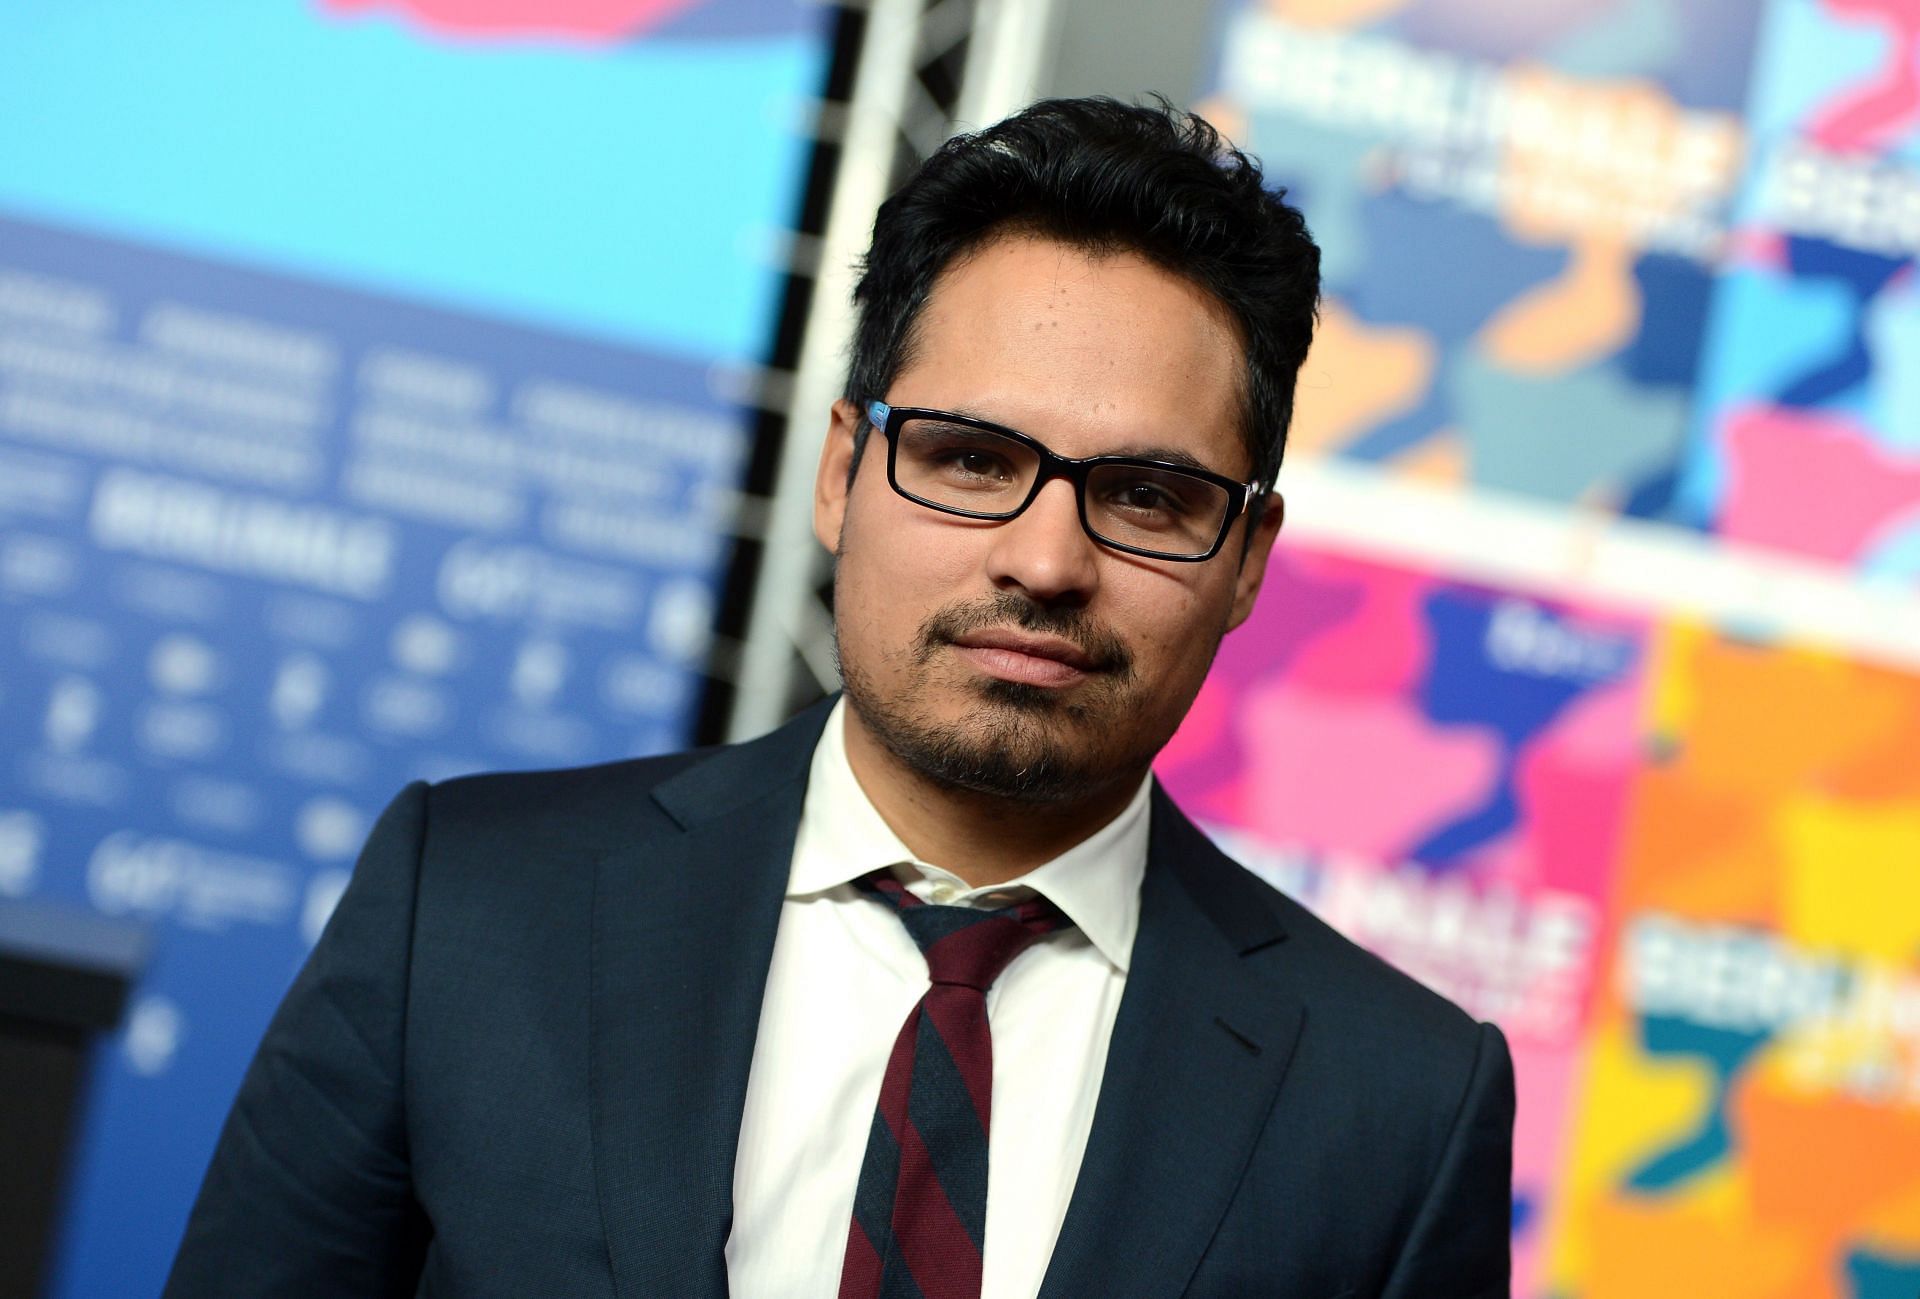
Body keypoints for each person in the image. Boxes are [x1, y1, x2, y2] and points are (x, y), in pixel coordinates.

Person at [164, 97, 1513, 1299]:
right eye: (972, 460)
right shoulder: (464, 910)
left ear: (1246, 563)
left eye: (1148, 496)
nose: (1046, 561)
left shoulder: (1394, 1106)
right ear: (839, 475)